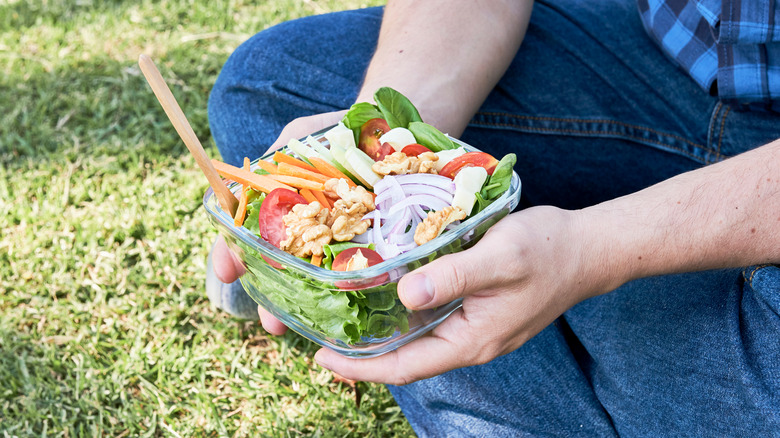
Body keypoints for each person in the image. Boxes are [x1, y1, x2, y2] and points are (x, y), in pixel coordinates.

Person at [206, 0, 780, 435]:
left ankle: (593, 333)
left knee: (673, 353)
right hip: (663, 65)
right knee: (271, 83)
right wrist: (387, 155)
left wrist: (595, 250)